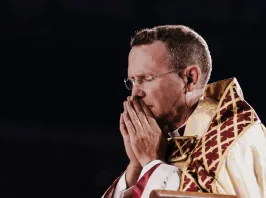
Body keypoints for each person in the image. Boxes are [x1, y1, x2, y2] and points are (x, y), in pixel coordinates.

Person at [102, 25, 266, 198]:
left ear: (189, 79)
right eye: (133, 81)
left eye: (146, 79)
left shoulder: (238, 140)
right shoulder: (162, 139)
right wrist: (136, 167)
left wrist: (152, 163)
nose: (135, 93)